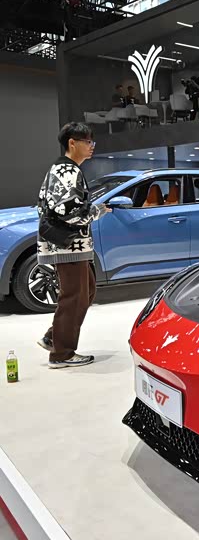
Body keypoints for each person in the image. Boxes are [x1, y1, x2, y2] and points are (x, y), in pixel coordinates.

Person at [36, 123, 111, 369]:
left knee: (85, 292)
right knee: (74, 297)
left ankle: (54, 337)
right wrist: (97, 211)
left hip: (71, 246)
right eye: (87, 141)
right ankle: (62, 354)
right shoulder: (67, 170)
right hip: (68, 246)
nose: (91, 146)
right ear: (72, 143)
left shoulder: (63, 169)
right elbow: (68, 211)